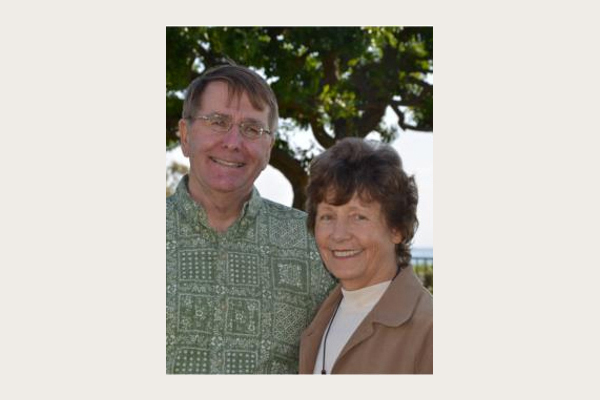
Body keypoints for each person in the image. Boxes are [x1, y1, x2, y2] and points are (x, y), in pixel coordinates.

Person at [166, 64, 335, 374]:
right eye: (218, 122)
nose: (233, 142)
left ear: (268, 148)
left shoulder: (316, 244)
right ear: (186, 135)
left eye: (252, 129)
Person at [298, 137, 433, 374]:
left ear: (397, 229)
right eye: (327, 217)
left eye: (358, 217)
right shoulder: (319, 318)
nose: (339, 235)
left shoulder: (429, 330)